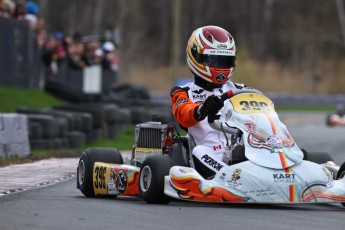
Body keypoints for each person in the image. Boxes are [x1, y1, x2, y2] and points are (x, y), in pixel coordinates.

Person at [170, 25, 247, 179]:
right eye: (214, 60)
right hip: (209, 152)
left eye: (225, 61)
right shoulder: (183, 92)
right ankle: (230, 179)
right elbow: (183, 113)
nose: (220, 66)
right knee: (200, 151)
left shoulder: (241, 90)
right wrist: (201, 110)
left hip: (241, 150)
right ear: (196, 57)